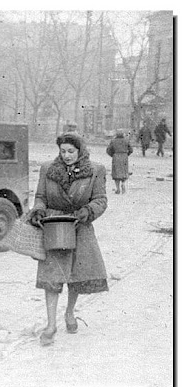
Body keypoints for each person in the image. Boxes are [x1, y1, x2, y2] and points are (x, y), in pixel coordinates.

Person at [28, 133, 108, 346]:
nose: (66, 156)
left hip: (80, 227)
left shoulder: (96, 171)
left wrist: (88, 211)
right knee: (51, 277)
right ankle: (51, 325)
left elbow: (100, 200)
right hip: (54, 227)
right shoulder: (47, 169)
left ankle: (70, 313)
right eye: (63, 151)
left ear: (80, 150)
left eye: (71, 151)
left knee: (76, 275)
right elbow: (41, 197)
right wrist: (38, 210)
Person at [106, 129, 133, 194]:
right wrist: (126, 154)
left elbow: (108, 150)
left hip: (116, 156)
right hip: (124, 157)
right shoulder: (126, 140)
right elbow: (131, 150)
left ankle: (117, 188)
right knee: (124, 172)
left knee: (116, 173)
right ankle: (123, 183)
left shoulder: (113, 141)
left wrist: (113, 155)